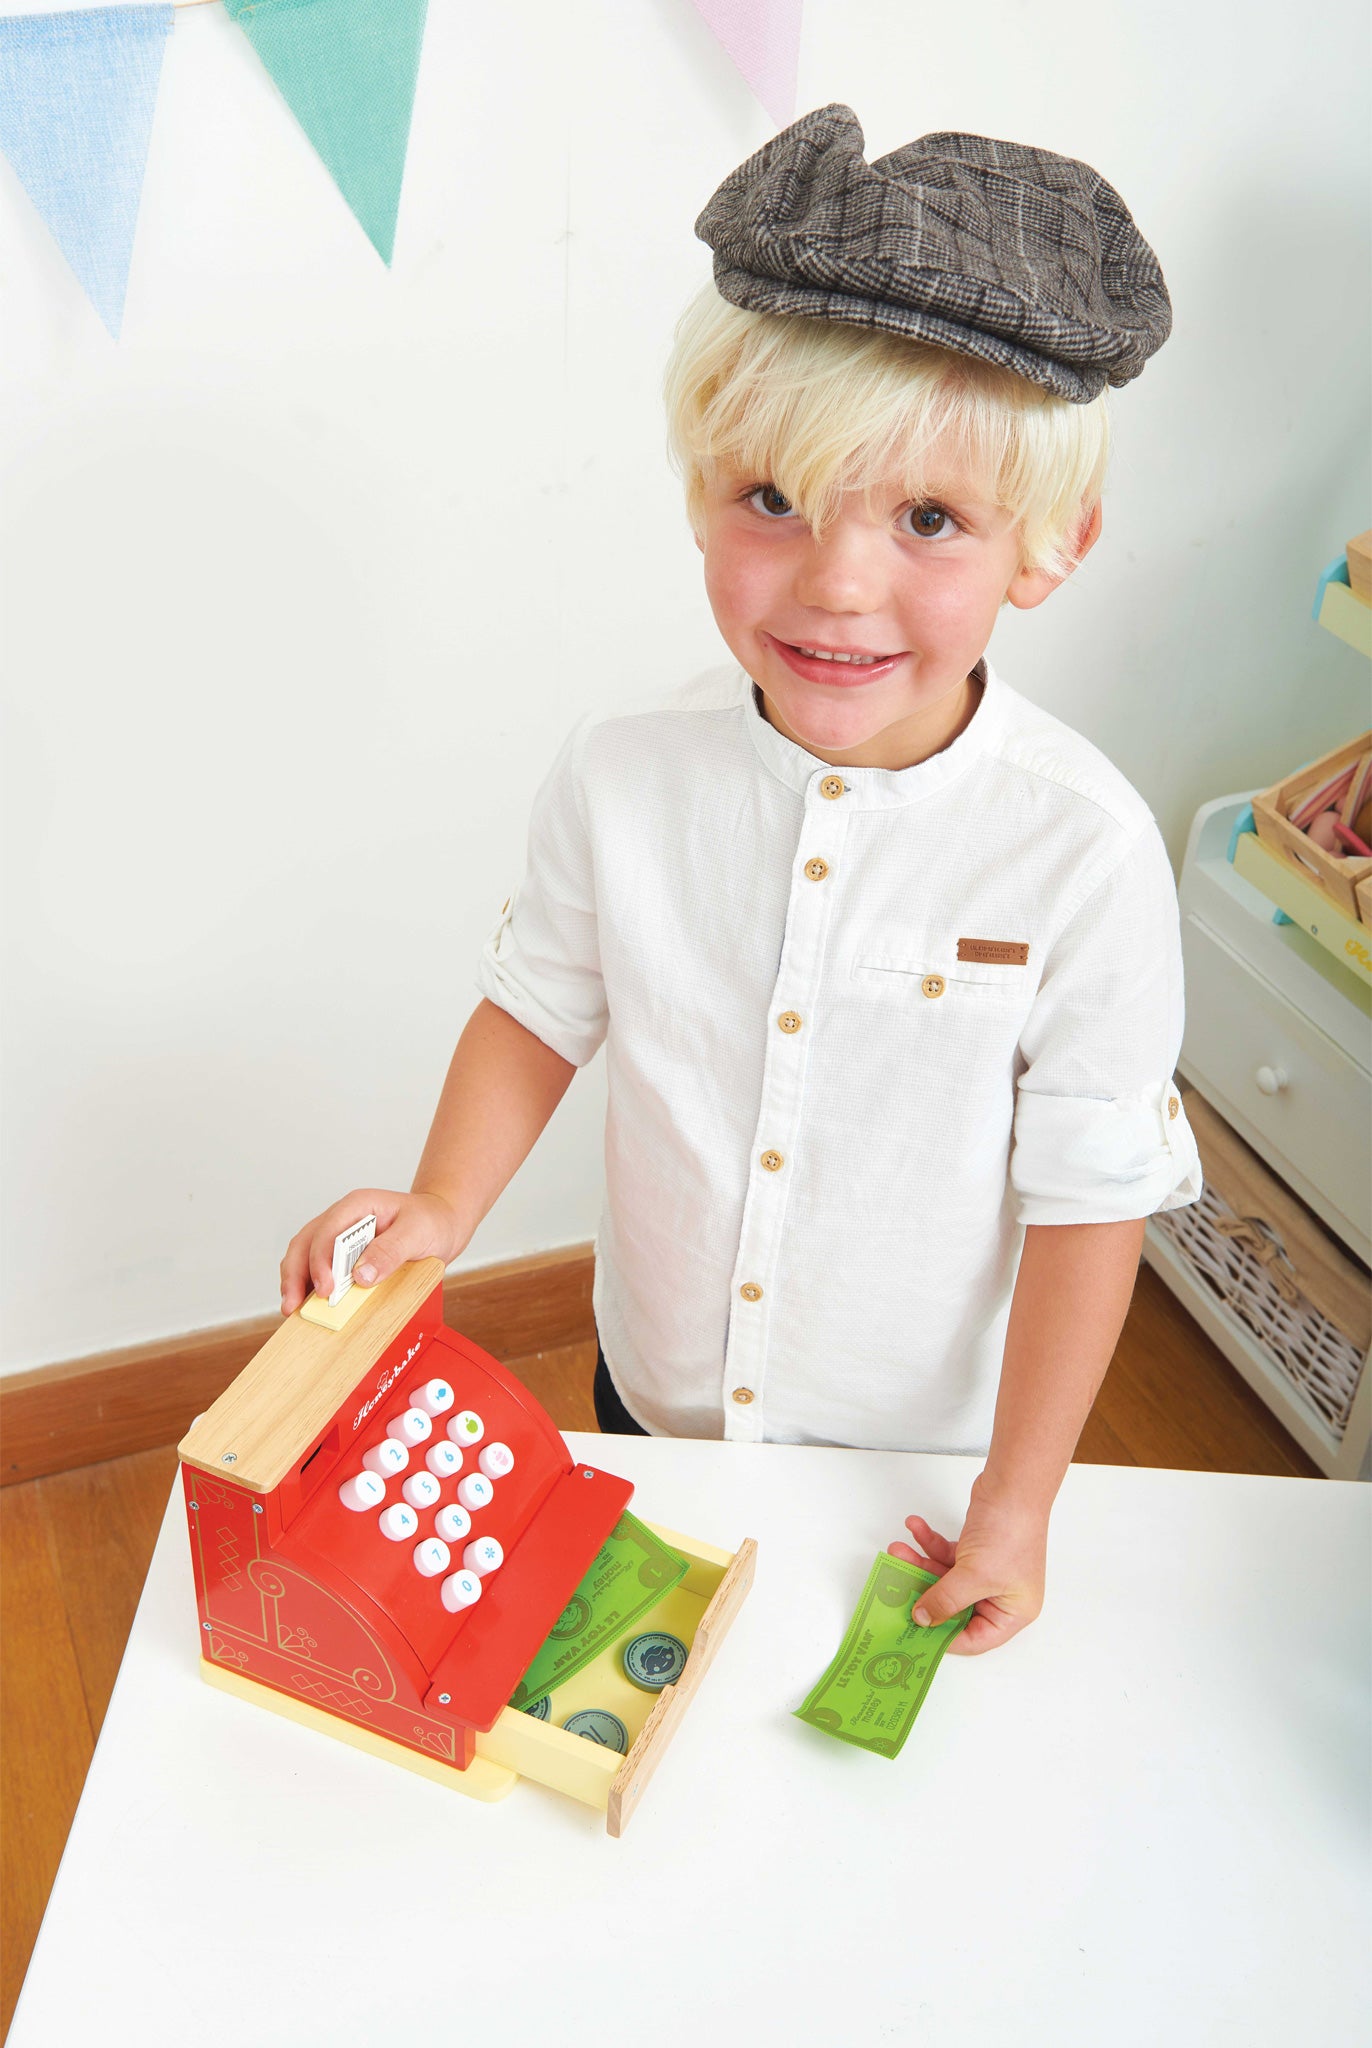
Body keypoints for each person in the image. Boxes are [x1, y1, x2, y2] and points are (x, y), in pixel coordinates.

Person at [279, 107, 1201, 1657]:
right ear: (700, 491)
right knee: (633, 1697)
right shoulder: (620, 770)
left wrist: (1022, 1502)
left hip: (919, 1455)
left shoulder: (1082, 851)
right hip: (650, 1394)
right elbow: (538, 1007)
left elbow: (1089, 1208)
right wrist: (442, 1201)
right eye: (772, 500)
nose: (837, 583)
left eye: (929, 520)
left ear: (1051, 542)